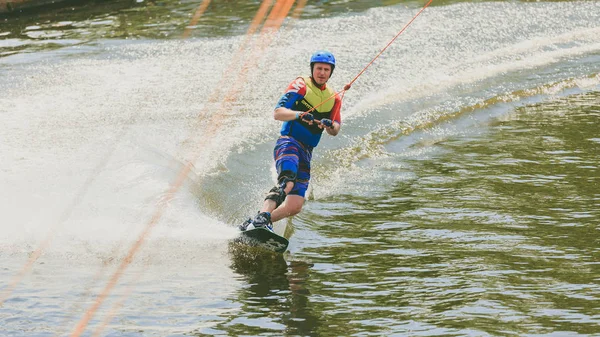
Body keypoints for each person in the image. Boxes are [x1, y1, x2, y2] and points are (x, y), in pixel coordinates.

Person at [241, 50, 343, 232]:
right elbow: (278, 113)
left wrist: (329, 125)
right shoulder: (300, 85)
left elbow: (335, 130)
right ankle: (262, 217)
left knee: (295, 206)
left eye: (326, 70)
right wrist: (299, 115)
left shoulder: (334, 97)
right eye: (319, 68)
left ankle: (258, 223)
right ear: (312, 69)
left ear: (331, 72)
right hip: (289, 142)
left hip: (307, 151)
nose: (322, 73)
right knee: (287, 181)